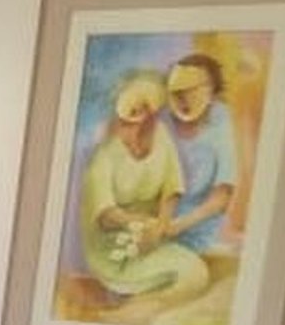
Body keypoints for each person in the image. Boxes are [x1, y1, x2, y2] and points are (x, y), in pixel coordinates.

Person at [77, 70, 209, 309]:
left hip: (150, 237)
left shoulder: (162, 137)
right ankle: (125, 296)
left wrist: (161, 225)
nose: (134, 124)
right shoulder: (105, 155)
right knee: (180, 278)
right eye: (129, 117)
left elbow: (172, 187)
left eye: (144, 113)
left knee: (196, 273)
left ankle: (142, 301)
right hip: (111, 243)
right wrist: (142, 224)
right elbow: (105, 216)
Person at [160, 53, 237, 256]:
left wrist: (179, 225)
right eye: (175, 91)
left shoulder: (222, 121)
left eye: (192, 90)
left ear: (211, 92)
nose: (182, 99)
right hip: (156, 225)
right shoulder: (160, 121)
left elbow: (223, 195)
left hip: (200, 230)